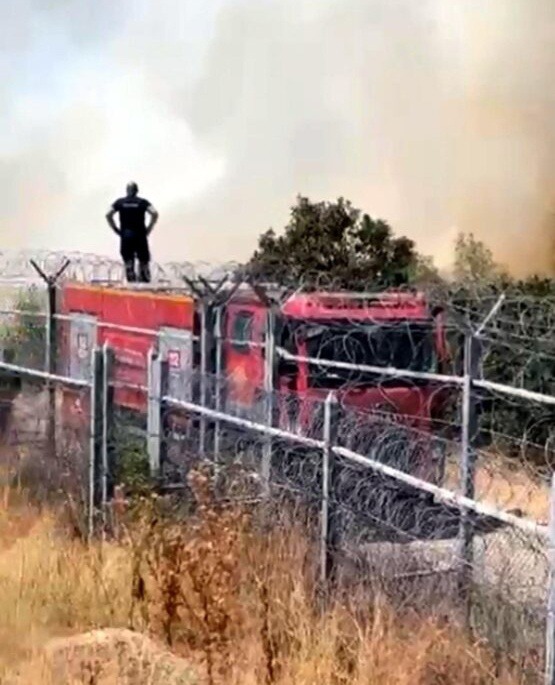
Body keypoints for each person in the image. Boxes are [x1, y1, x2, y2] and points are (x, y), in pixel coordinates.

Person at [106, 182, 159, 283]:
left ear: (127, 190)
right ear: (137, 191)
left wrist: (115, 229)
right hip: (140, 235)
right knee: (143, 261)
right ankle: (144, 282)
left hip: (126, 235)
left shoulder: (120, 202)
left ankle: (131, 283)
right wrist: (149, 228)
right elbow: (154, 213)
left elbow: (108, 214)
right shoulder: (142, 202)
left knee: (128, 262)